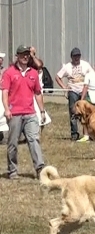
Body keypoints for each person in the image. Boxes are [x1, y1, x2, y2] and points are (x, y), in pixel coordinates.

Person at [1, 45, 46, 179]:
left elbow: (38, 93)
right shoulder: (9, 72)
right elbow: (5, 92)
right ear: (17, 56)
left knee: (34, 140)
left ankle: (40, 169)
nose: (25, 57)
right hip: (14, 113)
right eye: (22, 54)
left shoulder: (33, 73)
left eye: (27, 54)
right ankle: (12, 170)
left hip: (30, 113)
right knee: (13, 143)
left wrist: (42, 111)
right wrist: (7, 109)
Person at [55, 47, 93, 141]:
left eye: (78, 56)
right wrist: (64, 87)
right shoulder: (67, 67)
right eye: (75, 56)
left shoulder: (85, 65)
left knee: (87, 112)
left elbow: (92, 75)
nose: (77, 58)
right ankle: (74, 133)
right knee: (73, 112)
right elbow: (57, 77)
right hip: (73, 90)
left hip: (84, 89)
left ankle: (89, 134)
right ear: (71, 57)